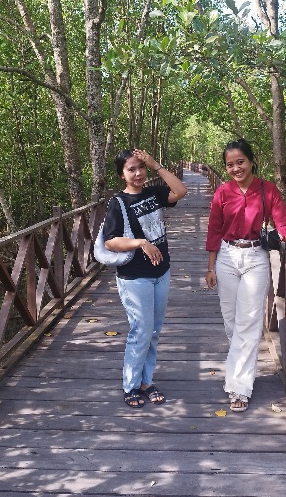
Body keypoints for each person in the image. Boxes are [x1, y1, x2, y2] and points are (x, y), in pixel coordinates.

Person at [205, 138, 286, 413]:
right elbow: (214, 230)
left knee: (248, 324)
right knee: (231, 323)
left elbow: (284, 223)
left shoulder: (267, 189)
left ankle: (239, 387)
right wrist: (211, 266)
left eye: (241, 162)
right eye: (230, 165)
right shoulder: (223, 192)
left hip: (255, 258)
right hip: (226, 257)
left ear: (251, 161)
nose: (236, 168)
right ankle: (241, 367)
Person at [103, 148, 187, 408]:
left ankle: (145, 381)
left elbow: (180, 192)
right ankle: (131, 385)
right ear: (121, 174)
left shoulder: (153, 193)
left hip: (161, 272)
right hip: (134, 276)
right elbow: (111, 241)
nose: (138, 173)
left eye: (141, 167)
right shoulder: (117, 203)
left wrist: (156, 165)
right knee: (141, 331)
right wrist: (141, 242)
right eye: (131, 169)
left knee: (153, 331)